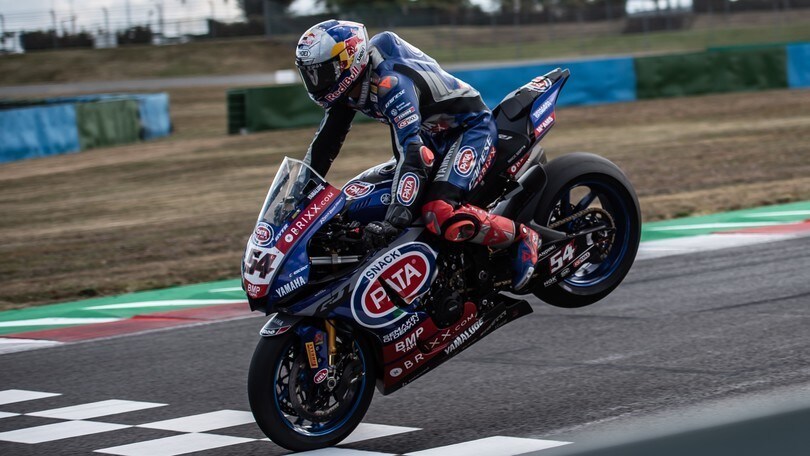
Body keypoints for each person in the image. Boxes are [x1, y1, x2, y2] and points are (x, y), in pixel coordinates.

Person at [295, 20, 541, 291]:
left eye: (323, 73)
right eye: (310, 74)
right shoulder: (347, 91)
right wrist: (298, 196)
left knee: (439, 212)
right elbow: (323, 148)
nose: (317, 82)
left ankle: (522, 238)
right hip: (431, 135)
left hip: (469, 129)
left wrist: (393, 221)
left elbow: (411, 153)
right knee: (357, 196)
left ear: (348, 61)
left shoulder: (390, 83)